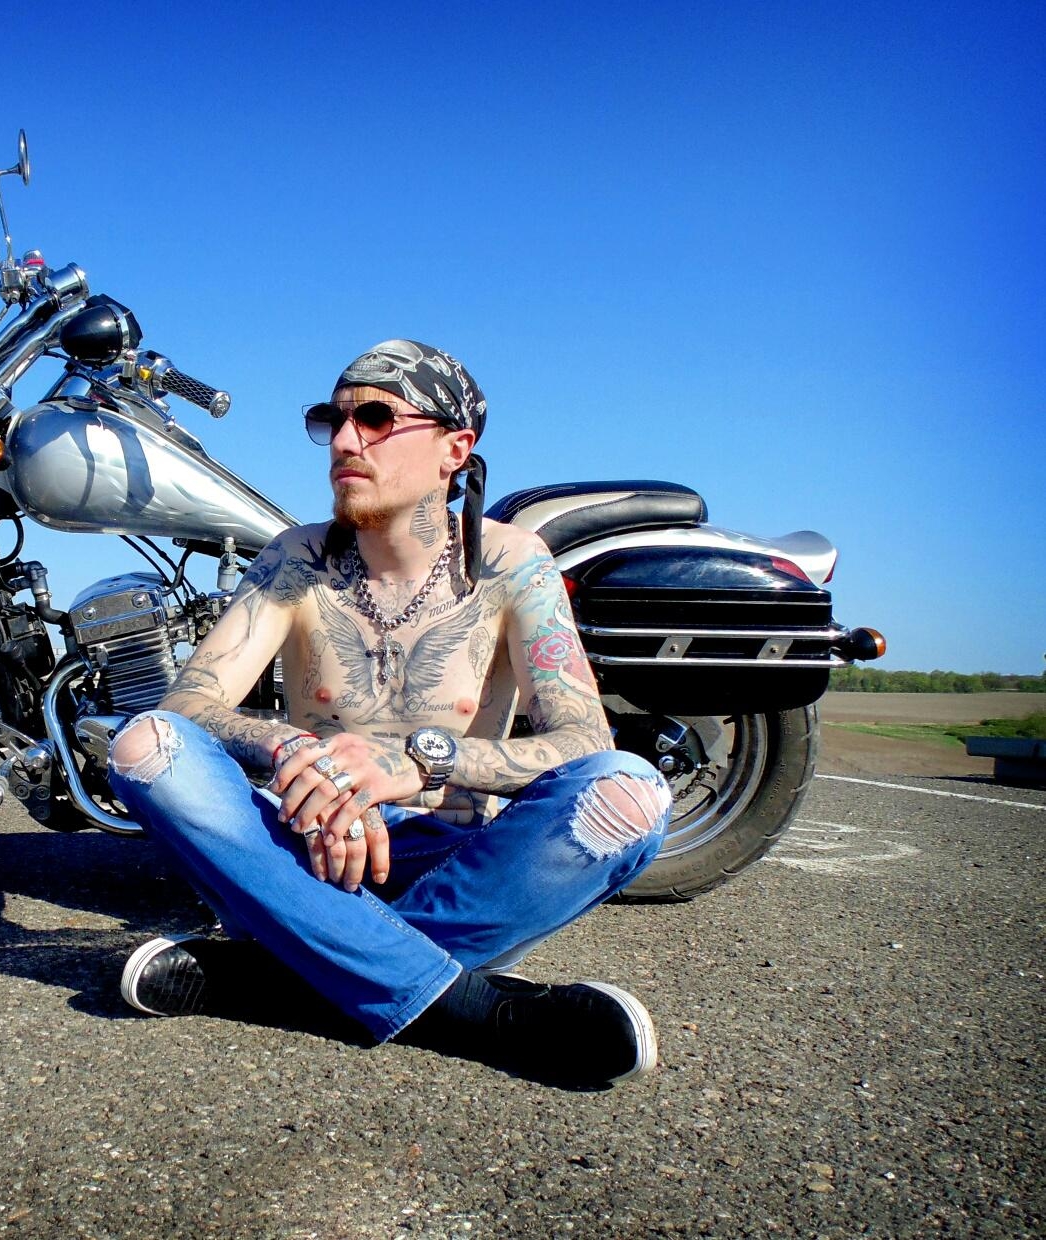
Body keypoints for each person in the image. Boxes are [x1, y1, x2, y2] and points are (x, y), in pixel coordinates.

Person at [105, 339, 674, 1089]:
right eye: (333, 420)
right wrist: (296, 753)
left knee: (629, 793)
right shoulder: (297, 560)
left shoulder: (511, 564)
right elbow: (188, 704)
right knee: (147, 746)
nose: (345, 442)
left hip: (456, 863)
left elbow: (583, 742)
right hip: (304, 854)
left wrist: (420, 761)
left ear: (454, 450)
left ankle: (269, 975)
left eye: (376, 419)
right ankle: (481, 1011)